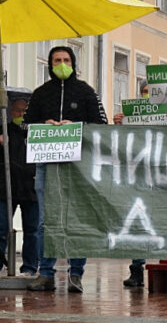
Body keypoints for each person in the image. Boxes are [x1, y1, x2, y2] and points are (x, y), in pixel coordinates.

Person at [24, 46, 107, 293]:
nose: (62, 63)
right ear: (50, 64)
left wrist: (78, 126)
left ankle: (76, 274)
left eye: (66, 59)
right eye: (57, 60)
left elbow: (101, 125)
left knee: (77, 219)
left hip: (78, 166)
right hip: (47, 164)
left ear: (73, 63)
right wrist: (43, 125)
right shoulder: (40, 94)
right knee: (44, 221)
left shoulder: (86, 92)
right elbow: (25, 125)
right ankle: (46, 273)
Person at [114, 82, 151, 288]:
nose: (148, 96)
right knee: (138, 224)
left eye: (152, 93)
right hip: (139, 176)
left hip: (166, 176)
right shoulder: (133, 116)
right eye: (145, 92)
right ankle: (137, 269)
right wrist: (120, 124)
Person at [0, 97, 40, 276]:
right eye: (18, 111)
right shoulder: (3, 131)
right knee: (1, 228)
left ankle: (30, 268)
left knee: (32, 231)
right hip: (6, 188)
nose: (21, 114)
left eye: (25, 111)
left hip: (31, 188)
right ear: (10, 112)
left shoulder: (37, 132)